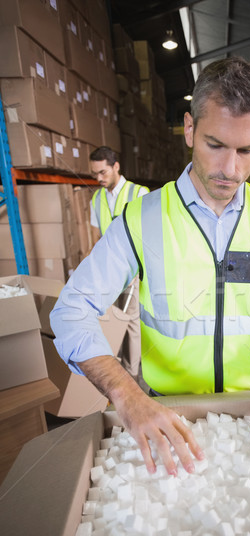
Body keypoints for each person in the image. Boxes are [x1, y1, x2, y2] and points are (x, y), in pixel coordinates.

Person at [51, 57, 250, 477]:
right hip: (168, 412)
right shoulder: (141, 219)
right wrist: (128, 398)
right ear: (189, 128)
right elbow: (70, 312)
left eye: (246, 150)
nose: (230, 169)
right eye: (215, 145)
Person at [89, 146, 149, 378]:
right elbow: (96, 237)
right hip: (108, 270)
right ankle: (116, 366)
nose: (98, 178)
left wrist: (137, 268)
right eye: (95, 174)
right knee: (112, 318)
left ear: (116, 167)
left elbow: (148, 236)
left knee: (131, 320)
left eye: (103, 172)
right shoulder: (97, 198)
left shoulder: (139, 193)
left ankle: (131, 374)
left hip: (133, 269)